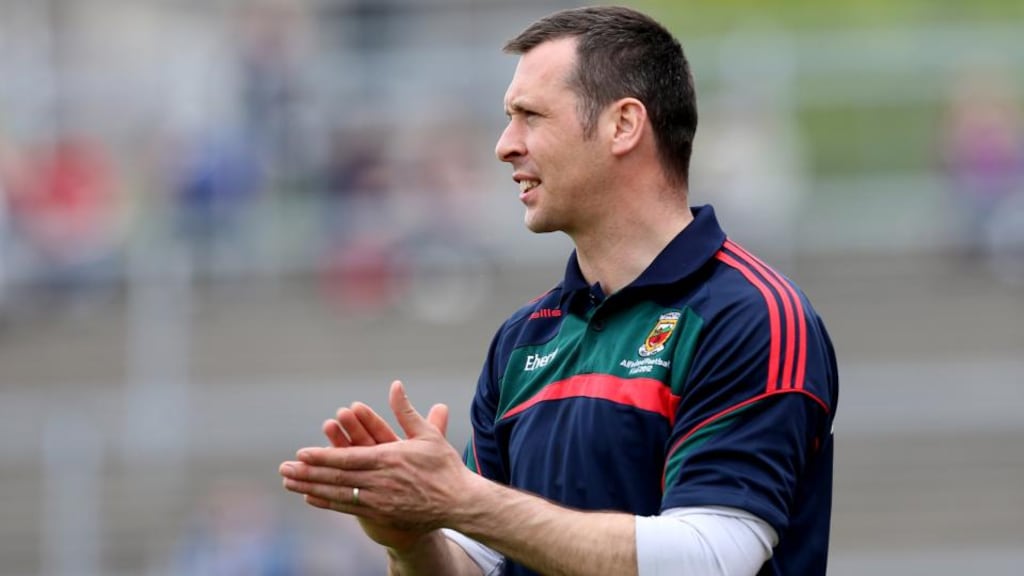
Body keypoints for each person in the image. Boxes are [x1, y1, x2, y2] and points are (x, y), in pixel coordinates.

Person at [280, 6, 838, 576]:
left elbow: (709, 560)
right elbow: (481, 560)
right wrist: (412, 538)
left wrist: (463, 500)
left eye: (530, 116)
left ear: (623, 125)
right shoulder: (524, 339)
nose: (504, 145)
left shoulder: (752, 316)